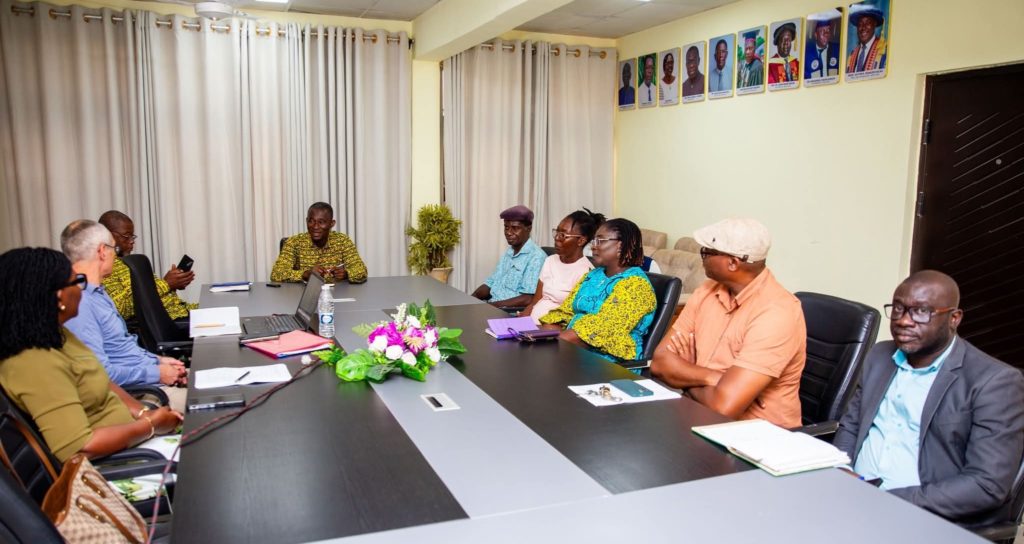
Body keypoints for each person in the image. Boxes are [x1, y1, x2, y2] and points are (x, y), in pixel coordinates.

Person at [834, 271, 1024, 526]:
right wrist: (842, 469)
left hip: (922, 512)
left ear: (954, 318)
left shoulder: (994, 382)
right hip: (852, 496)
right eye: (898, 308)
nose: (904, 321)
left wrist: (886, 500)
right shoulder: (880, 355)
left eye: (921, 311)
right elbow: (851, 425)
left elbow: (986, 485)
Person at [0, 247, 183, 463]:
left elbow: (102, 380)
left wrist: (144, 414)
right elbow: (79, 448)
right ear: (59, 296)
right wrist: (150, 425)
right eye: (77, 282)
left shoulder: (58, 335)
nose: (81, 289)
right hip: (117, 465)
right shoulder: (34, 361)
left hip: (135, 444)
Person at [650, 218, 805, 428]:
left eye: (707, 252)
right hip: (696, 418)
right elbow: (660, 364)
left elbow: (722, 408)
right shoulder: (707, 290)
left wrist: (686, 374)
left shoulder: (777, 312)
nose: (702, 258)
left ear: (733, 263)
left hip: (757, 435)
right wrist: (715, 377)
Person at [61, 220, 188, 412]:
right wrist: (157, 373)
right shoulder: (80, 304)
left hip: (150, 378)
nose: (116, 254)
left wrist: (158, 361)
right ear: (102, 251)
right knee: (224, 400)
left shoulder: (98, 292)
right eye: (114, 248)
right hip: (140, 394)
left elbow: (122, 348)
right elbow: (100, 374)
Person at [539, 219, 656, 361]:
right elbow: (565, 313)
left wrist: (548, 347)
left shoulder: (636, 286)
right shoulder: (593, 275)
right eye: (593, 241)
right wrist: (541, 335)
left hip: (607, 362)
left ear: (620, 246)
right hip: (572, 350)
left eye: (600, 241)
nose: (593, 247)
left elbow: (599, 330)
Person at [98, 210, 197, 321]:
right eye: (126, 236)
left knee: (212, 303)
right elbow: (122, 309)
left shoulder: (132, 263)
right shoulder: (106, 268)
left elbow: (155, 296)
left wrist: (174, 285)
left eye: (132, 236)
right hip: (173, 321)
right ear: (107, 235)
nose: (131, 241)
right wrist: (166, 284)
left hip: (182, 310)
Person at [522, 209, 603, 324]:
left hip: (552, 329)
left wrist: (540, 329)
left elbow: (574, 317)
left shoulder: (586, 273)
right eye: (557, 232)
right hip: (531, 325)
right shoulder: (550, 261)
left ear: (580, 241)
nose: (556, 238)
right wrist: (521, 321)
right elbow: (535, 302)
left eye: (563, 235)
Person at [271, 202, 368, 284]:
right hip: (303, 295)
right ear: (306, 221)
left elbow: (362, 271)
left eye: (321, 222)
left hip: (337, 295)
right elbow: (276, 274)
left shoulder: (342, 241)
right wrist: (304, 274)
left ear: (332, 223)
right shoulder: (294, 242)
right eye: (311, 221)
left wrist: (347, 274)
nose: (315, 227)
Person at [472, 205, 547, 309]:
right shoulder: (509, 252)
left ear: (528, 228)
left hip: (510, 312)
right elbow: (491, 283)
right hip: (493, 306)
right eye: (506, 227)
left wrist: (490, 307)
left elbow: (528, 298)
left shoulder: (536, 257)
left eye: (515, 228)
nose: (508, 232)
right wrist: (471, 299)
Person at [847, 4, 887, 73]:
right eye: (860, 24)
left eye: (868, 23)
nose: (863, 27)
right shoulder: (852, 55)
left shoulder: (884, 50)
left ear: (874, 24)